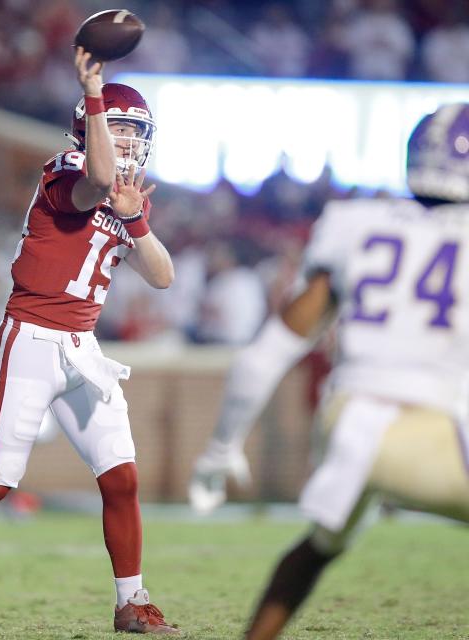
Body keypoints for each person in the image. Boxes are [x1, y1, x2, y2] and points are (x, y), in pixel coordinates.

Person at [0, 48, 178, 634]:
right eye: (116, 128)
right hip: (30, 336)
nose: (126, 141)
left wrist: (137, 220)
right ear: (90, 124)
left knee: (122, 476)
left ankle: (131, 600)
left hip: (83, 345)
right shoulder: (67, 169)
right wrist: (97, 93)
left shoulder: (127, 198)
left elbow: (162, 275)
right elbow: (97, 178)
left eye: (134, 131)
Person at [189, 104, 469, 640]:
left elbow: (262, 356)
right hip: (423, 427)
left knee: (322, 545)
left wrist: (221, 448)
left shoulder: (355, 223)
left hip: (347, 424)